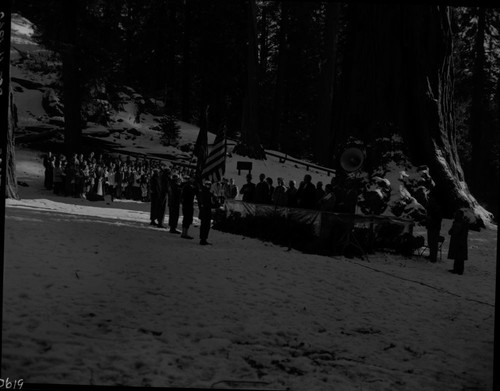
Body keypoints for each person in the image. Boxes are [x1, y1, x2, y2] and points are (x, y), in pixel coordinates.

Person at [447, 209, 469, 275]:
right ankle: (455, 269)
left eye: (457, 214)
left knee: (460, 257)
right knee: (456, 256)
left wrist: (461, 242)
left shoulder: (464, 223)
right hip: (456, 241)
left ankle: (460, 271)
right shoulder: (456, 222)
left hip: (460, 242)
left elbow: (464, 234)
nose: (456, 215)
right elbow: (451, 231)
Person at [198, 179, 218, 245]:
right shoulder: (205, 193)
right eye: (207, 184)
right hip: (205, 211)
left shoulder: (204, 192)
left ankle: (203, 239)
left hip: (204, 211)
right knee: (205, 226)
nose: (208, 186)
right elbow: (208, 203)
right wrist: (216, 205)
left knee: (204, 226)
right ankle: (203, 239)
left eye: (209, 185)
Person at [425, 191, 443, 263]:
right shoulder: (431, 207)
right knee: (430, 242)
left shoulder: (436, 208)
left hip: (434, 227)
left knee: (433, 243)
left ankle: (433, 257)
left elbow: (437, 218)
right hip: (431, 226)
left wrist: (431, 218)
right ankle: (432, 256)